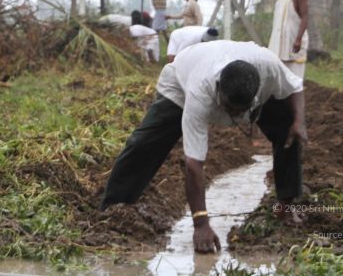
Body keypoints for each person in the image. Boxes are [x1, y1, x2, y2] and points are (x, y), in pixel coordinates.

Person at [100, 40, 307, 253]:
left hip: (244, 82)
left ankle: (286, 204)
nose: (233, 116)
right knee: (144, 144)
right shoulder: (199, 92)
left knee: (289, 131)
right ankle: (115, 207)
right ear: (218, 89)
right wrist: (200, 223)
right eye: (229, 109)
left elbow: (295, 86)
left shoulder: (269, 68)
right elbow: (193, 163)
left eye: (239, 111)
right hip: (181, 81)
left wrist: (299, 122)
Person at [268, 0, 309, 78]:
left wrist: (298, 39)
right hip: (280, 44)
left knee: (295, 77)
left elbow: (305, 17)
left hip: (293, 42)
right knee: (280, 78)